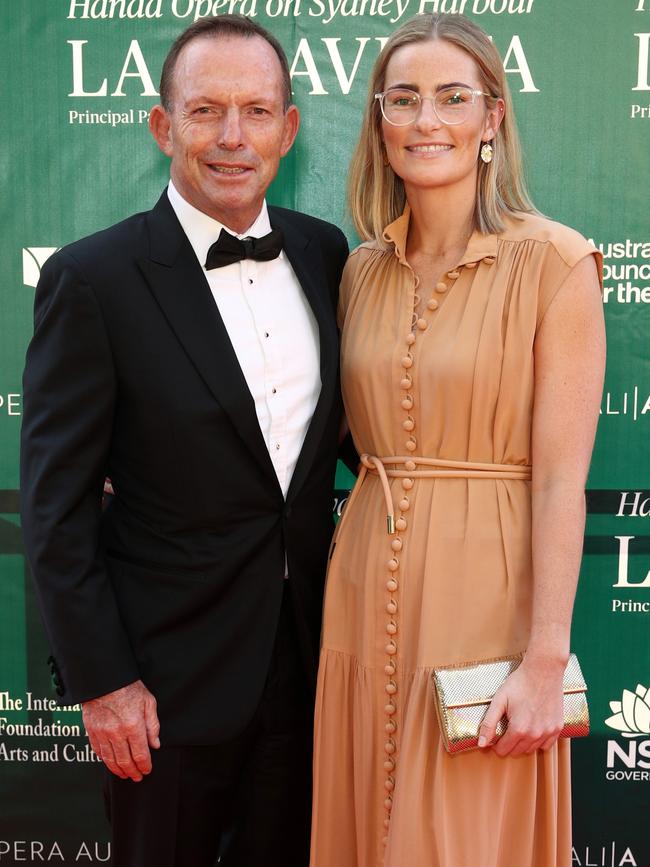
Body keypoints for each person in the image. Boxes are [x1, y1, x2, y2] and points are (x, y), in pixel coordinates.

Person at [20, 14, 348, 867]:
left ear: (289, 127)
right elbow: (55, 512)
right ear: (165, 127)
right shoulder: (92, 280)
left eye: (256, 111)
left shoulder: (325, 254)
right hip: (161, 688)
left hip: (313, 666)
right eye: (206, 112)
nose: (233, 137)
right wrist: (102, 681)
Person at [310, 12, 605, 867]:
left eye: (451, 97)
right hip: (362, 580)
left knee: (468, 835)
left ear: (493, 118)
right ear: (378, 121)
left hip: (489, 591)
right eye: (402, 99)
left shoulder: (557, 263)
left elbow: (559, 482)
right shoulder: (359, 269)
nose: (426, 120)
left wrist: (546, 657)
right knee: (365, 820)